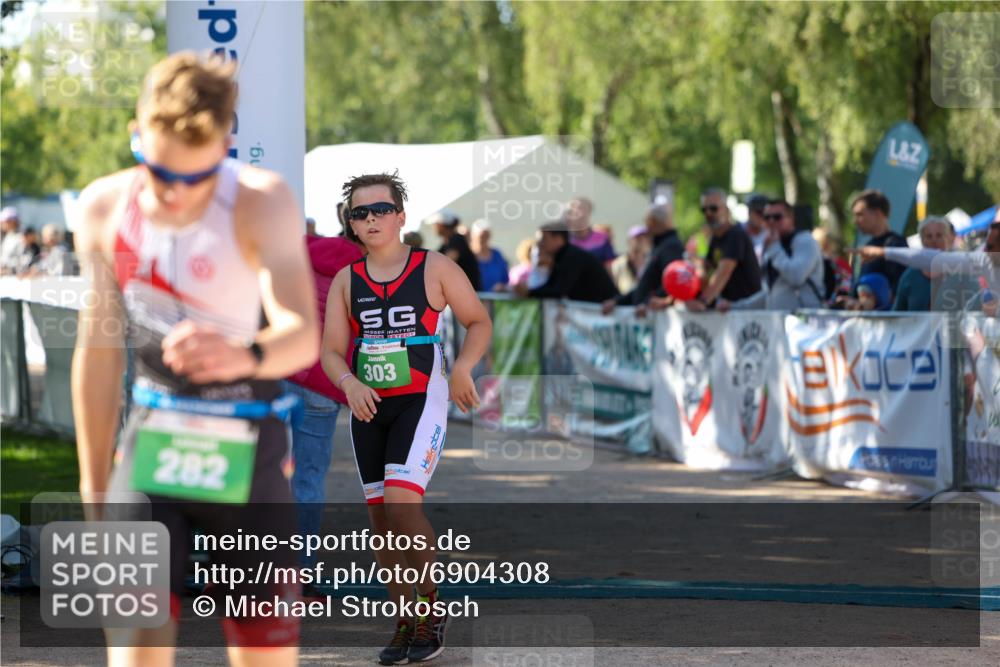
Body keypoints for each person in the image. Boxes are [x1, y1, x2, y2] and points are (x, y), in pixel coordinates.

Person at [70, 52, 319, 666]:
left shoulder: (262, 199)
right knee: (132, 655)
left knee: (263, 657)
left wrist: (246, 353)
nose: (172, 194)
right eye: (156, 171)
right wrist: (93, 489)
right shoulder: (104, 208)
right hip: (151, 452)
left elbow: (302, 335)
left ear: (224, 147)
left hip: (248, 456)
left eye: (194, 179)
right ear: (138, 130)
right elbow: (97, 355)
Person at [322, 172, 491, 665]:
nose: (370, 219)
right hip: (369, 406)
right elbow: (332, 352)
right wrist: (349, 383)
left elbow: (478, 320)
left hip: (421, 400)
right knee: (380, 520)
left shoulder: (433, 266)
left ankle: (430, 611)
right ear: (350, 223)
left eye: (379, 210)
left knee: (400, 506)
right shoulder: (346, 280)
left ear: (400, 216)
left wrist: (462, 367)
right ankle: (406, 622)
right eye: (359, 212)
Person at [283, 216, 365, 593]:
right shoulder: (369, 274)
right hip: (323, 384)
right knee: (308, 480)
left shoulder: (300, 249)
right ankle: (300, 572)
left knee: (257, 477)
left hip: (278, 373)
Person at [852, 206, 1000, 311]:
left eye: (939, 235)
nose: (985, 249)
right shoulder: (982, 261)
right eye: (928, 236)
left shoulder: (968, 273)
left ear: (950, 237)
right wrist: (883, 252)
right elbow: (929, 258)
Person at [686, 187, 762, 312]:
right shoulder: (715, 238)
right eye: (704, 210)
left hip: (747, 312)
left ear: (726, 210)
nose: (708, 213)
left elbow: (722, 273)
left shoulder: (736, 235)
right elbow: (705, 271)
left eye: (713, 208)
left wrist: (703, 302)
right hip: (730, 309)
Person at [740, 199, 825, 310]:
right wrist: (736, 306)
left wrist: (774, 247)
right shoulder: (772, 246)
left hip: (805, 321)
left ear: (791, 219)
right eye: (766, 217)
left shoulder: (805, 240)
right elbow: (770, 293)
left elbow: (796, 276)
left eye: (777, 217)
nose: (771, 221)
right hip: (778, 321)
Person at [602, 204, 685, 314]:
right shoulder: (661, 246)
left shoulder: (670, 247)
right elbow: (646, 285)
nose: (647, 227)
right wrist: (617, 302)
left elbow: (671, 283)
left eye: (647, 222)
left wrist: (648, 303)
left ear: (653, 221)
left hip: (659, 318)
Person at [513, 221, 618, 303]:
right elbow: (551, 285)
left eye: (544, 239)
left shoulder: (572, 257)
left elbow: (559, 290)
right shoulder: (562, 257)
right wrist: (529, 291)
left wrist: (529, 293)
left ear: (558, 239)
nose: (540, 244)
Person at [893, 216, 955, 311]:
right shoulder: (909, 277)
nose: (934, 240)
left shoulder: (962, 273)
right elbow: (897, 314)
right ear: (922, 241)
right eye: (929, 236)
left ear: (948, 238)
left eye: (939, 235)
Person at [851, 188, 907, 293]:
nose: (856, 221)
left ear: (878, 213)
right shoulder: (867, 245)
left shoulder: (896, 244)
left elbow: (899, 289)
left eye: (860, 214)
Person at [426, 209, 481, 290]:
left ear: (442, 225)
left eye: (436, 224)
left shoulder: (457, 240)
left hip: (467, 294)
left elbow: (445, 263)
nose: (434, 227)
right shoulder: (446, 244)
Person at [564, 197, 615, 263]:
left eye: (580, 208)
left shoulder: (602, 238)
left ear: (589, 211)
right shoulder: (561, 240)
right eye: (571, 210)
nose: (576, 212)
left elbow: (609, 264)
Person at [609, 225, 651, 294]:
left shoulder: (651, 261)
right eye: (637, 238)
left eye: (644, 238)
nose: (641, 241)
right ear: (628, 241)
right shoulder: (618, 264)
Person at [469, 219, 509, 291]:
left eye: (486, 236)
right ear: (473, 236)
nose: (484, 240)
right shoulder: (467, 256)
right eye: (481, 237)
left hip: (495, 300)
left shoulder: (497, 255)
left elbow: (505, 279)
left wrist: (502, 287)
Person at [742, 194, 770, 264]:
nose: (762, 216)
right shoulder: (738, 231)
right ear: (749, 212)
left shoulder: (770, 233)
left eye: (766, 213)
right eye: (759, 212)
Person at [0, 207, 24, 275]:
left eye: (4, 221)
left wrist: (6, 268)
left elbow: (22, 259)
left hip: (14, 277)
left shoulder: (21, 238)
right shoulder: (7, 236)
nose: (1, 223)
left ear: (12, 222)